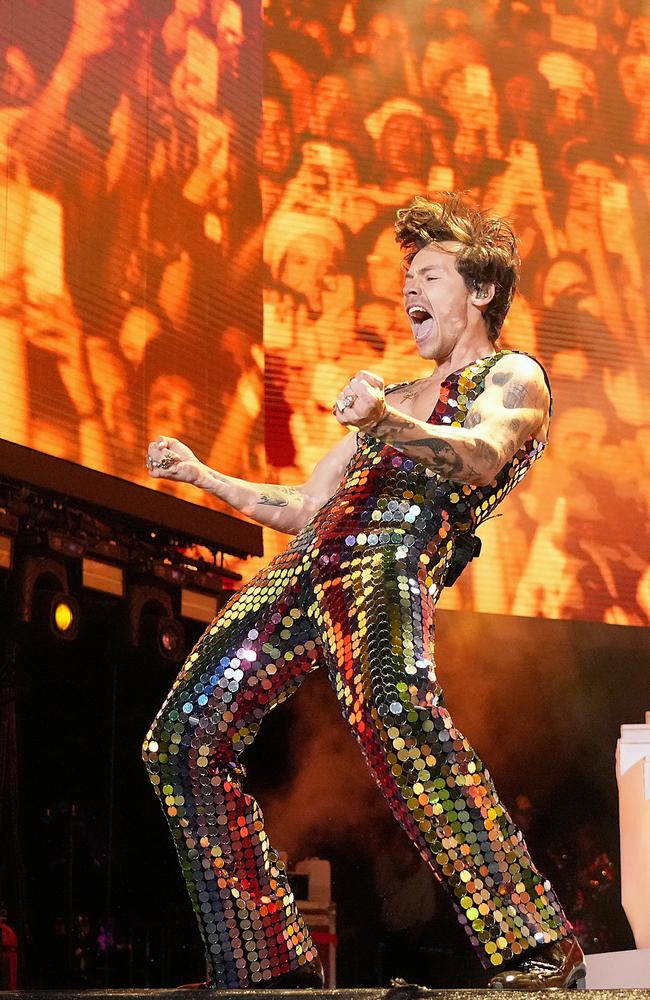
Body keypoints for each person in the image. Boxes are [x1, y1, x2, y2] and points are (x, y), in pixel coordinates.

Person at [142, 193, 585, 990]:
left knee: (394, 716)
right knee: (180, 741)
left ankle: (537, 946)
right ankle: (265, 963)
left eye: (428, 274)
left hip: (387, 564)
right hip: (307, 567)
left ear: (480, 290)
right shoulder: (392, 400)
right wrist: (202, 474)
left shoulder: (511, 375)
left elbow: (482, 455)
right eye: (405, 277)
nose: (408, 290)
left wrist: (388, 422)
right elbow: (304, 509)